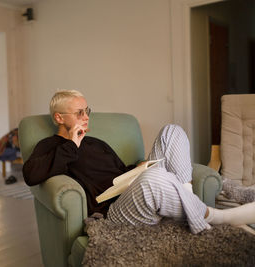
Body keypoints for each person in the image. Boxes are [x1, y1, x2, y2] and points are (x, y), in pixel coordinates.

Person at [23, 89, 255, 234]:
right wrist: (71, 145)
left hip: (131, 189)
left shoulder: (95, 142)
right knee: (154, 178)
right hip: (113, 210)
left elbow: (119, 171)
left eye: (88, 110)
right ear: (59, 117)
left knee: (171, 131)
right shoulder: (50, 147)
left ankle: (190, 202)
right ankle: (221, 217)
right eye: (79, 113)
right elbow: (31, 175)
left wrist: (138, 169)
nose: (86, 117)